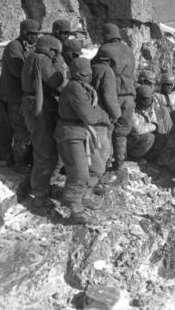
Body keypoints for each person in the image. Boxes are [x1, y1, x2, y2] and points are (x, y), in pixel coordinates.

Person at [54, 58, 111, 224]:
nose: (89, 77)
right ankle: (73, 206)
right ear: (76, 74)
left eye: (90, 74)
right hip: (71, 134)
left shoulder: (84, 88)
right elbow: (89, 116)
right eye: (85, 74)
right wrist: (103, 116)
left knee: (97, 168)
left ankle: (83, 196)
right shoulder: (74, 88)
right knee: (79, 174)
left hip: (83, 133)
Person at [21, 35, 64, 208]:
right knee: (45, 152)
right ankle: (39, 193)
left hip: (33, 104)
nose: (56, 55)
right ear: (50, 49)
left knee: (44, 149)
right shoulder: (41, 59)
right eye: (55, 52)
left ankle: (43, 185)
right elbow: (54, 80)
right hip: (38, 107)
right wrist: (59, 67)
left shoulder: (33, 56)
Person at [0, 19, 39, 174]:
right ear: (23, 32)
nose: (34, 37)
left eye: (36, 34)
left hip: (22, 95)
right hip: (12, 95)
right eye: (31, 33)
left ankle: (24, 159)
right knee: (21, 131)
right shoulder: (14, 46)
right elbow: (18, 71)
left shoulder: (30, 47)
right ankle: (19, 163)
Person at [93, 23, 136, 171]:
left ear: (106, 35)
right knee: (122, 131)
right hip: (129, 95)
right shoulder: (129, 50)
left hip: (114, 94)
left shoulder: (105, 50)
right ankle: (119, 162)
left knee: (108, 129)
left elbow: (95, 69)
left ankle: (105, 163)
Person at [90, 49, 121, 175]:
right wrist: (116, 114)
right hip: (101, 115)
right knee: (103, 149)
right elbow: (109, 97)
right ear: (110, 61)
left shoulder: (90, 68)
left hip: (87, 113)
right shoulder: (107, 71)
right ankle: (96, 179)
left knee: (91, 149)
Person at [127, 85, 171, 162]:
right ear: (139, 99)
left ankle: (152, 155)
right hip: (132, 142)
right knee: (150, 137)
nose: (149, 101)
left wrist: (156, 126)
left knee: (162, 136)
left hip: (144, 137)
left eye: (150, 98)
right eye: (146, 99)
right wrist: (154, 126)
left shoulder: (149, 107)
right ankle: (134, 157)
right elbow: (137, 130)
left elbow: (154, 119)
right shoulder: (131, 110)